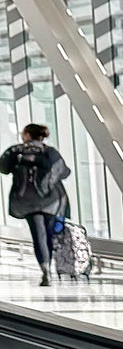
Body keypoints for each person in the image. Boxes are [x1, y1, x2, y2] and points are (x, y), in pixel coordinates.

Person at [0, 122, 70, 285]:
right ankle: (49, 266)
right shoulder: (50, 152)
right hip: (51, 200)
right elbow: (65, 172)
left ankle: (45, 268)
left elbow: (3, 167)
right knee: (49, 234)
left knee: (38, 235)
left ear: (27, 135)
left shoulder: (16, 151)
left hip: (27, 199)